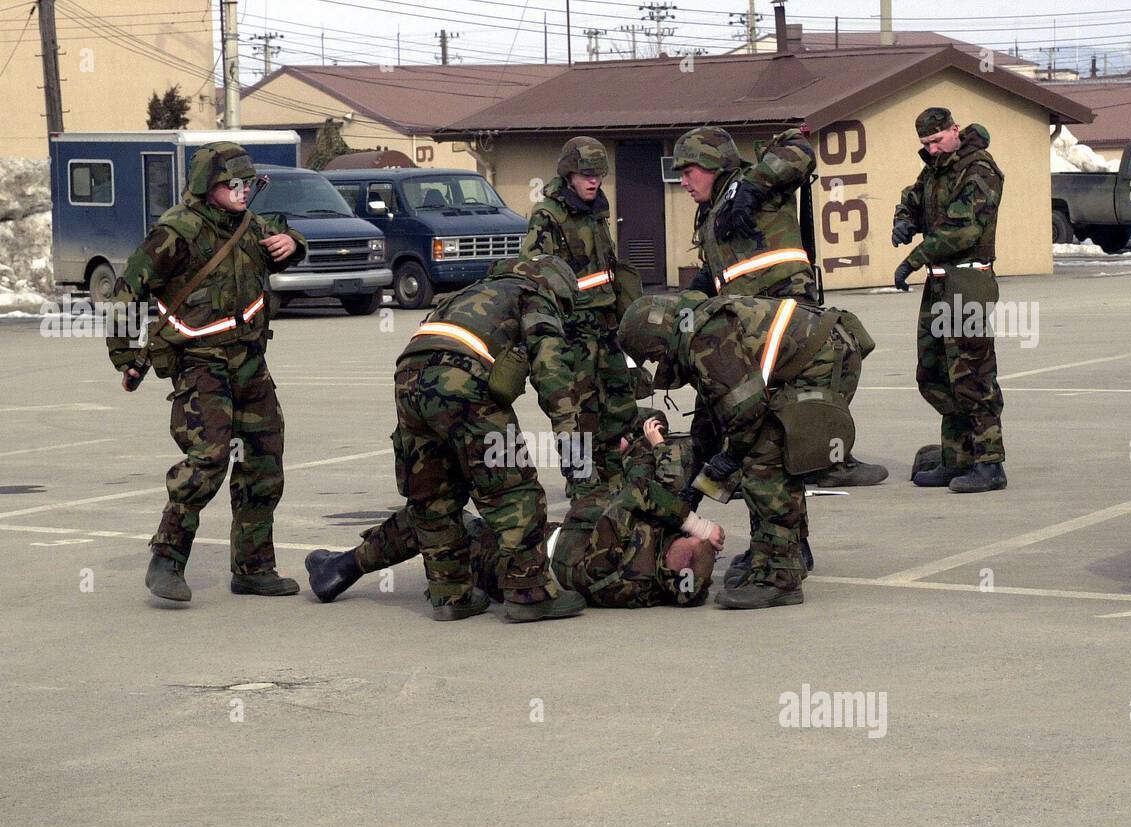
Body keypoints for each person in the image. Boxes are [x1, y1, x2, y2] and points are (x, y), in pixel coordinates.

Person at [105, 141, 306, 602]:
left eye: (247, 183)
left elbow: (288, 243)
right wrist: (124, 357)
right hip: (200, 364)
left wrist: (293, 244)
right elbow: (124, 293)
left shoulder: (252, 226)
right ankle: (167, 558)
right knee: (208, 459)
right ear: (206, 187)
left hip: (250, 361)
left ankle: (254, 567)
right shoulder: (176, 232)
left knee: (264, 461)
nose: (241, 191)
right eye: (231, 184)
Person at [358, 256, 590, 622]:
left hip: (407, 381)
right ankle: (529, 593)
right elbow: (551, 369)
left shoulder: (471, 292)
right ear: (555, 287)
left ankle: (451, 595)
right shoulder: (534, 296)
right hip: (461, 380)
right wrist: (569, 435)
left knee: (434, 495)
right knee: (510, 489)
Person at [305, 414, 725, 609]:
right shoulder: (649, 583)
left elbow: (632, 496)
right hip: (538, 549)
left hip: (515, 560)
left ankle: (343, 568)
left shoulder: (626, 549)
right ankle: (346, 566)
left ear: (676, 556)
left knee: (439, 523)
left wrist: (648, 453)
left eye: (690, 544)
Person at [619, 292, 870, 610]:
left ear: (658, 339)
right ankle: (785, 553)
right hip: (823, 350)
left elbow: (746, 411)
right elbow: (711, 414)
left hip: (824, 360)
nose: (656, 364)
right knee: (758, 450)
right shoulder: (697, 329)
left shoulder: (705, 337)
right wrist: (697, 480)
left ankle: (779, 577)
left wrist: (730, 457)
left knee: (764, 459)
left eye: (652, 356)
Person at [673, 125, 886, 488]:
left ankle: (826, 460)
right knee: (738, 399)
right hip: (747, 321)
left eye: (688, 171)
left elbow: (798, 148)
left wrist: (753, 185)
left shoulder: (758, 189)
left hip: (788, 310)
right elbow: (718, 271)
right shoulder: (712, 213)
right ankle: (742, 470)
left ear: (711, 164)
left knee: (830, 366)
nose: (683, 182)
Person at [892, 107, 1007, 493]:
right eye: (926, 144)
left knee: (973, 376)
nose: (933, 149)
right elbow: (914, 196)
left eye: (938, 140)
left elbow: (962, 230)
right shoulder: (936, 169)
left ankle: (990, 464)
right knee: (935, 374)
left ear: (954, 130)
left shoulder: (979, 169)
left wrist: (912, 259)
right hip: (940, 283)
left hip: (968, 281)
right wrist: (905, 218)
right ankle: (957, 457)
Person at [521, 136, 642, 492]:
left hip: (606, 326)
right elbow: (534, 272)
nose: (594, 181)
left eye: (599, 175)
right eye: (586, 174)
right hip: (574, 332)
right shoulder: (548, 215)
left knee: (619, 403)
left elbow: (608, 269)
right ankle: (583, 488)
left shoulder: (597, 211)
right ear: (569, 174)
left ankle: (616, 479)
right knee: (579, 411)